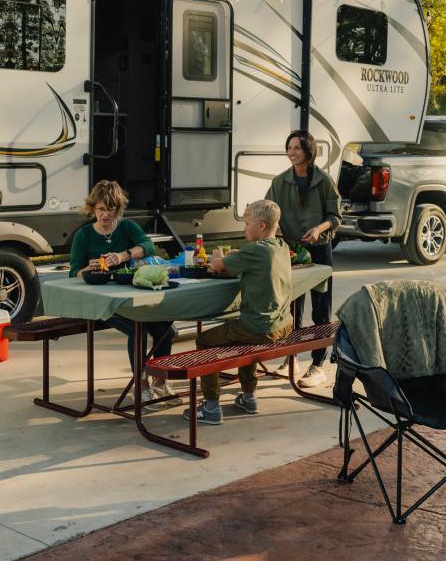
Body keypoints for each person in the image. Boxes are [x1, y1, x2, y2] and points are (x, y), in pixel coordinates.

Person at [69, 180, 175, 408]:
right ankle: (141, 386)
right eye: (100, 209)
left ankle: (160, 380)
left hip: (130, 293)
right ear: (93, 208)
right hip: (101, 300)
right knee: (139, 329)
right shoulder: (84, 235)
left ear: (117, 209)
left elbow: (148, 246)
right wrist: (87, 270)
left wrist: (123, 255)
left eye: (110, 209)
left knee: (166, 328)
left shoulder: (126, 227)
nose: (105, 215)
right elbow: (73, 272)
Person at [196, 199, 295, 424]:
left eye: (247, 224)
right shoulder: (281, 247)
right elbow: (253, 260)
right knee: (243, 341)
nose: (244, 229)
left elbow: (218, 266)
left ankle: (210, 407)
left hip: (260, 327)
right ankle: (249, 397)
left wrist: (218, 257)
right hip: (284, 324)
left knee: (204, 341)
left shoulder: (255, 250)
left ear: (261, 226)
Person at [265, 129, 341, 388]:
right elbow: (269, 213)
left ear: (309, 151)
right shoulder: (279, 181)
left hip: (319, 249)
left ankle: (318, 364)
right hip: (291, 251)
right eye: (289, 148)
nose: (292, 153)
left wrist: (318, 229)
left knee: (321, 308)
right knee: (290, 307)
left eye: (297, 148)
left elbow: (335, 217)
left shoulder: (325, 181)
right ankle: (291, 358)